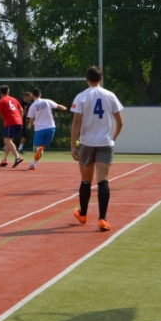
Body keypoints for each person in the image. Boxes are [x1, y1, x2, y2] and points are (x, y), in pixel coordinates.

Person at [70, 66, 124, 232]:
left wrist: (73, 145)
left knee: (86, 180)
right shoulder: (110, 95)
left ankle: (84, 214)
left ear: (87, 79)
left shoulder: (81, 97)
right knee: (103, 180)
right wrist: (111, 139)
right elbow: (120, 122)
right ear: (101, 79)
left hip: (87, 143)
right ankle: (102, 219)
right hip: (105, 143)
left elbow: (76, 122)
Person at [26, 87, 68, 170]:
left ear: (32, 96)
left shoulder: (32, 106)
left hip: (40, 129)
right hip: (51, 128)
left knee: (36, 149)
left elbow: (31, 121)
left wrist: (34, 125)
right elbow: (59, 106)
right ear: (40, 94)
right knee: (42, 147)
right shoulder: (47, 101)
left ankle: (38, 151)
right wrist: (65, 108)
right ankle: (33, 164)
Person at [0, 85, 24, 168]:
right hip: (19, 122)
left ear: (0, 92)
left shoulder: (1, 101)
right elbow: (21, 110)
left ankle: (17, 157)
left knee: (7, 141)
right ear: (8, 91)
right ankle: (4, 160)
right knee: (9, 141)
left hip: (10, 122)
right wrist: (20, 120)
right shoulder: (14, 99)